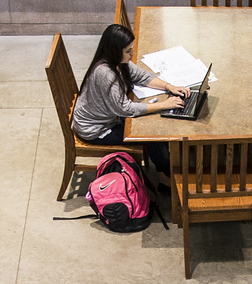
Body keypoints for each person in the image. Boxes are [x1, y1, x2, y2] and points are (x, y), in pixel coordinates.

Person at [73, 23, 186, 176]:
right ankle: (167, 176)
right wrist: (164, 105)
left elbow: (141, 76)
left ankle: (168, 163)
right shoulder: (106, 74)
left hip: (109, 117)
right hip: (97, 129)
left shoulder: (119, 62)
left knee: (153, 126)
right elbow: (125, 109)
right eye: (128, 51)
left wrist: (169, 86)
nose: (132, 53)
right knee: (151, 135)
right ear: (115, 51)